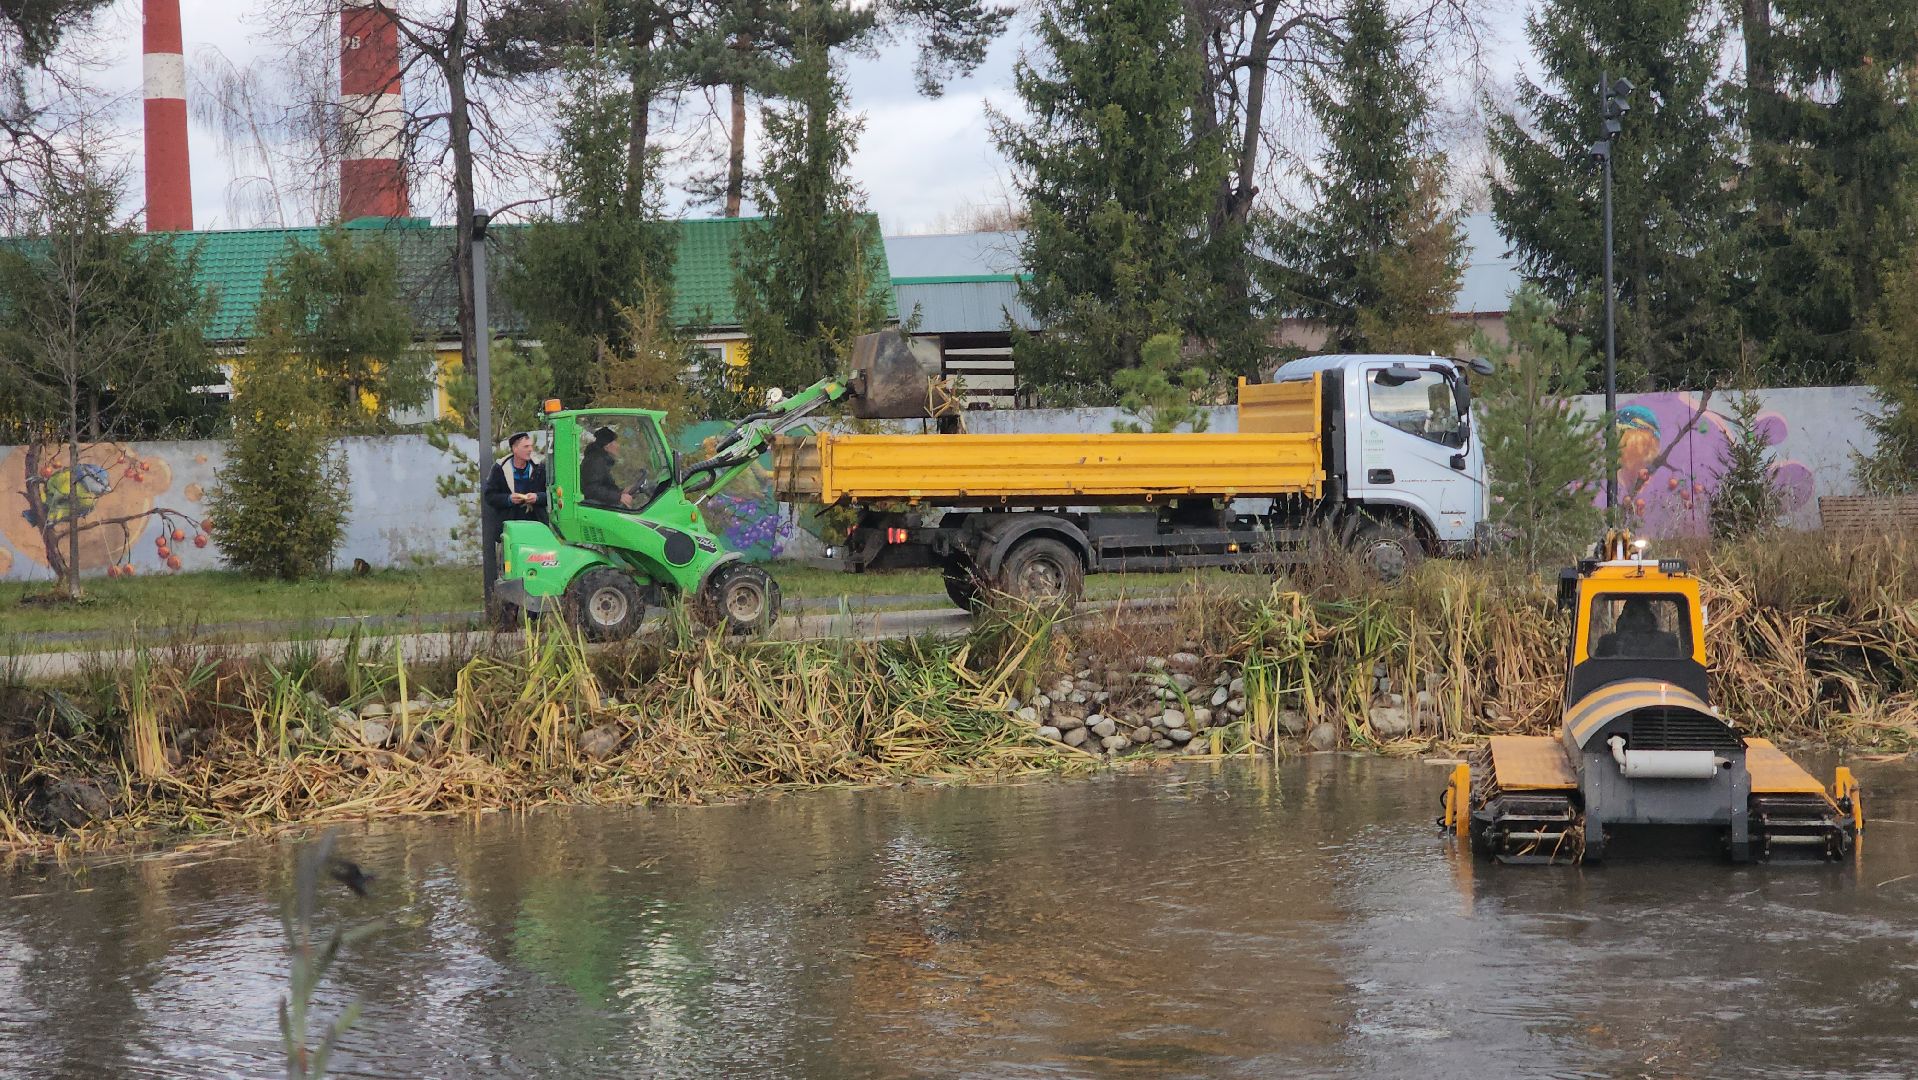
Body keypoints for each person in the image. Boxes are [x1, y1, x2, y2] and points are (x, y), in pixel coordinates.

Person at [482, 432, 548, 546]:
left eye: (531, 446)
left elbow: (551, 495)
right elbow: (489, 496)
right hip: (509, 529)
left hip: (536, 526)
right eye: (526, 447)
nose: (530, 450)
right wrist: (508, 499)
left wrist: (537, 497)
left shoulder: (539, 468)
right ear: (515, 449)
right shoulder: (500, 468)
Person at [580, 426, 631, 508]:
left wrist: (620, 492)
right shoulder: (596, 461)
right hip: (597, 507)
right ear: (607, 446)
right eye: (615, 442)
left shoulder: (602, 460)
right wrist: (618, 497)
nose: (618, 445)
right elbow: (592, 489)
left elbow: (604, 485)